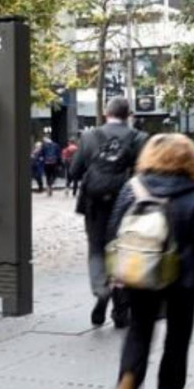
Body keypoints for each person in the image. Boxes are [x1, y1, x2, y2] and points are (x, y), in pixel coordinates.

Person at [109, 134, 194, 389]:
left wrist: (115, 269)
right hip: (183, 276)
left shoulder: (132, 187)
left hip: (140, 269)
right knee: (178, 333)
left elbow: (114, 228)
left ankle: (129, 379)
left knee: (139, 329)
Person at [70, 97, 147, 328]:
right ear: (129, 114)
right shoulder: (139, 138)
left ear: (106, 113)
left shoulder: (89, 137)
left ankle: (102, 290)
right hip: (127, 205)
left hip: (95, 205)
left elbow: (74, 171)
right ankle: (121, 311)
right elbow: (146, 173)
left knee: (96, 249)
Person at [39, 131, 62, 196]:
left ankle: (49, 185)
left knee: (48, 175)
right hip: (54, 162)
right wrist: (60, 164)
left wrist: (41, 160)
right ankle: (51, 184)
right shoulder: (56, 145)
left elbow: (41, 155)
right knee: (54, 174)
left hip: (46, 162)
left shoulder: (44, 146)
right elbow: (59, 155)